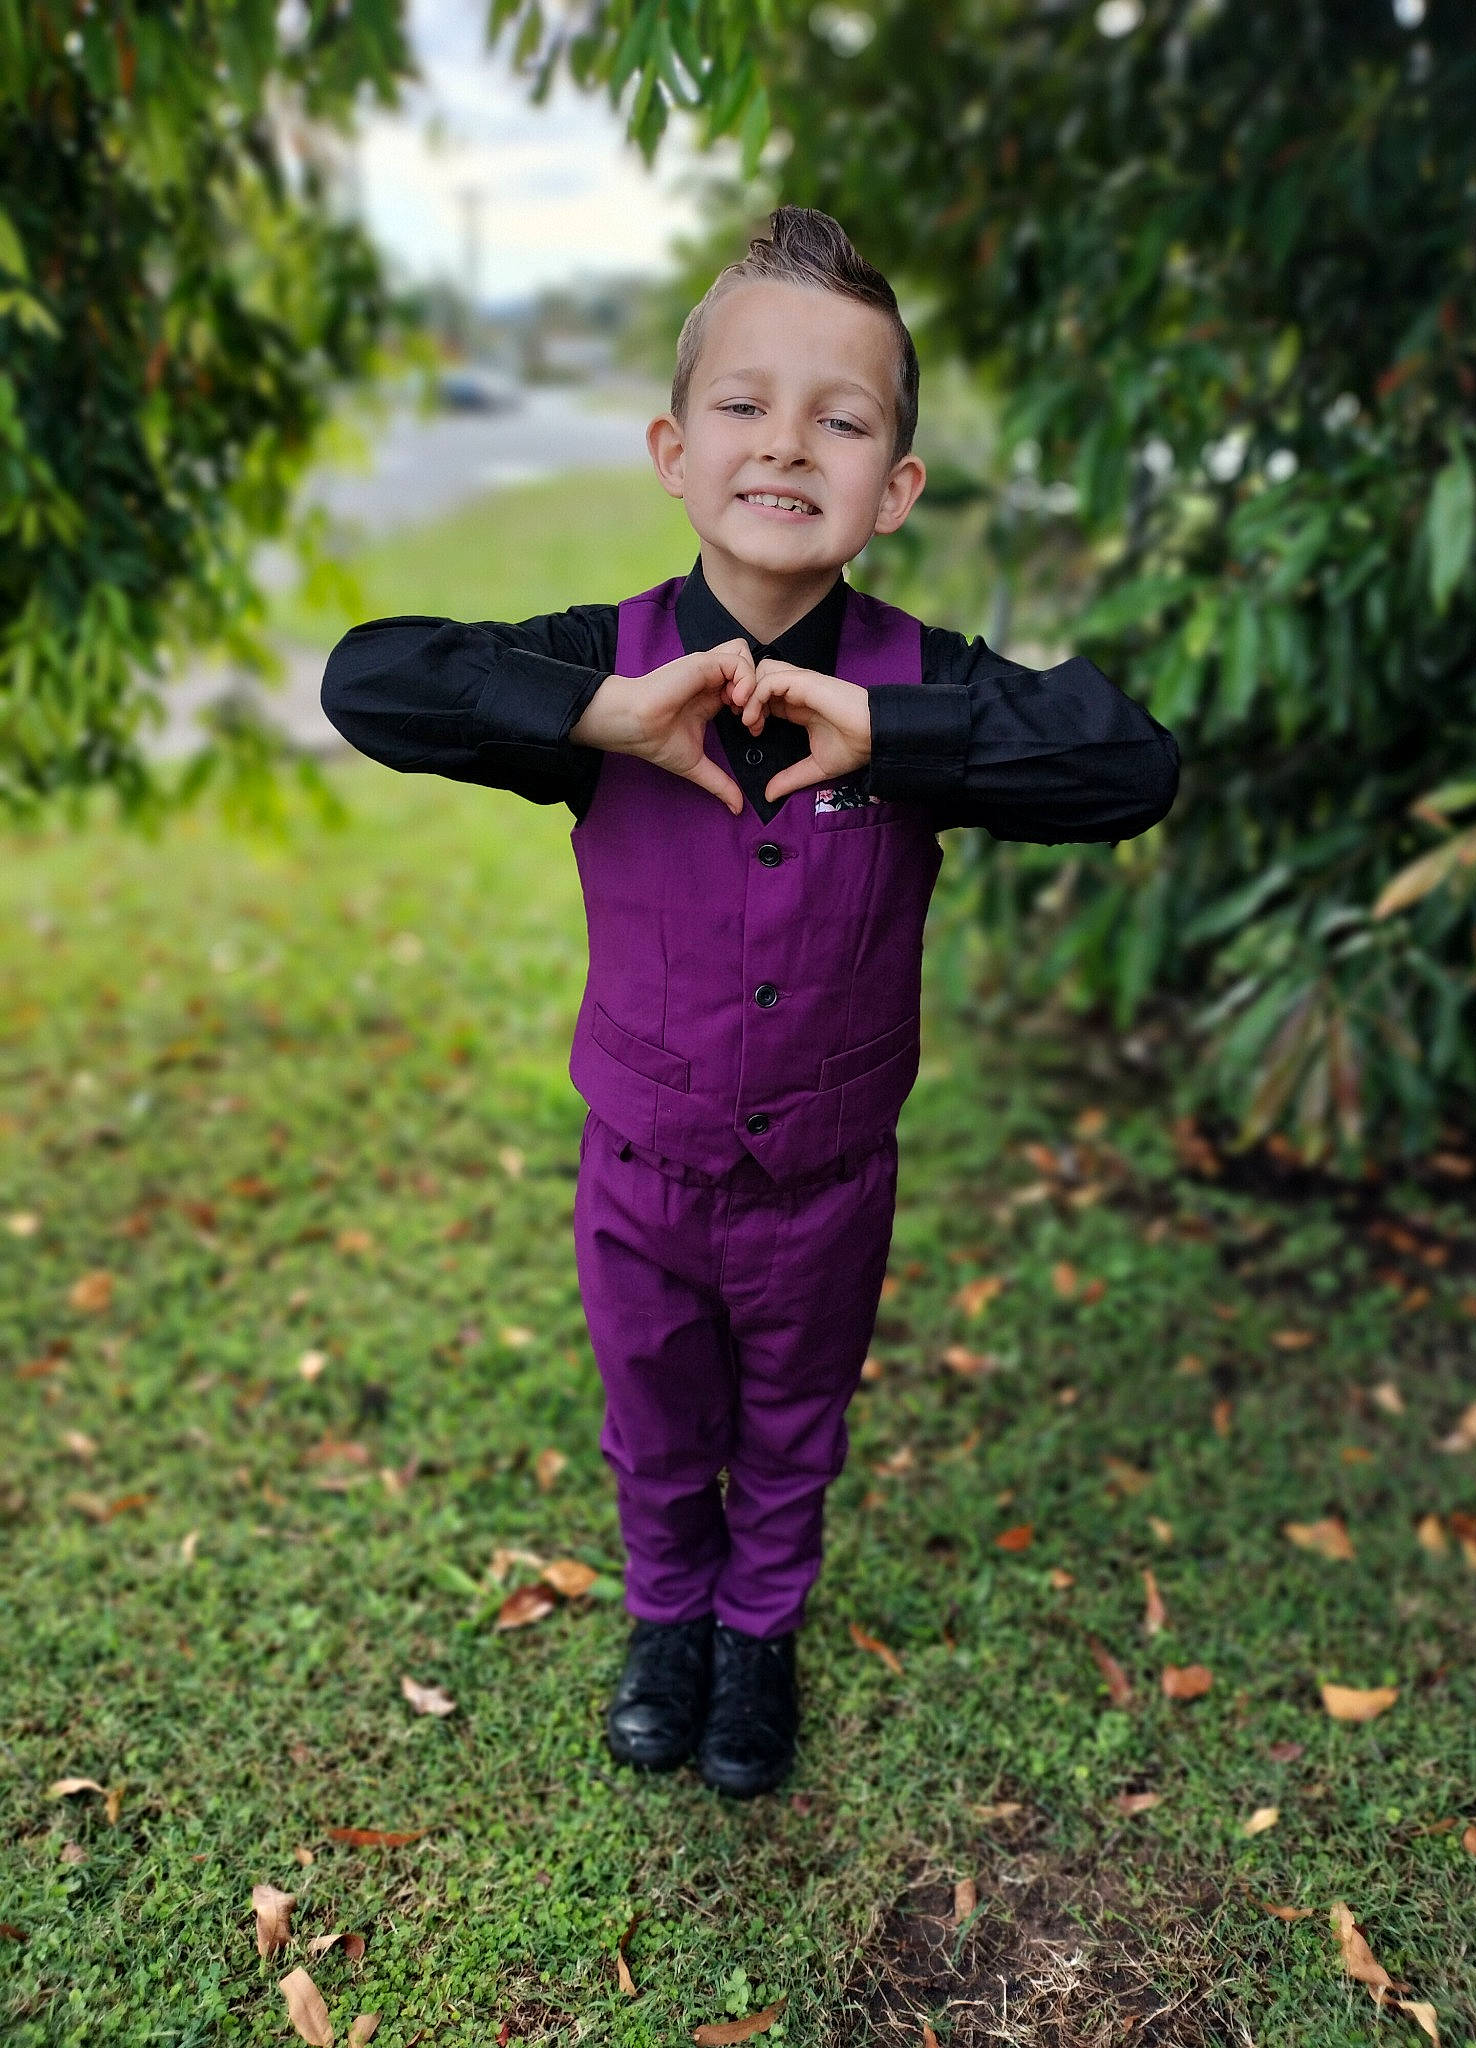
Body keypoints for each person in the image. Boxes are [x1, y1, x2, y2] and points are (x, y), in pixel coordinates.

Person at [320, 205, 1180, 1800]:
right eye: (744, 405)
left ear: (895, 489)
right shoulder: (610, 667)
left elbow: (1131, 763)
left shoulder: (930, 679)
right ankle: (667, 1622)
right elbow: (368, 678)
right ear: (672, 447)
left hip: (830, 1184)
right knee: (657, 1422)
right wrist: (601, 714)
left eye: (840, 420)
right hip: (639, 1177)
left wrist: (905, 736)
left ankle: (759, 1633)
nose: (787, 445)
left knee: (793, 1426)